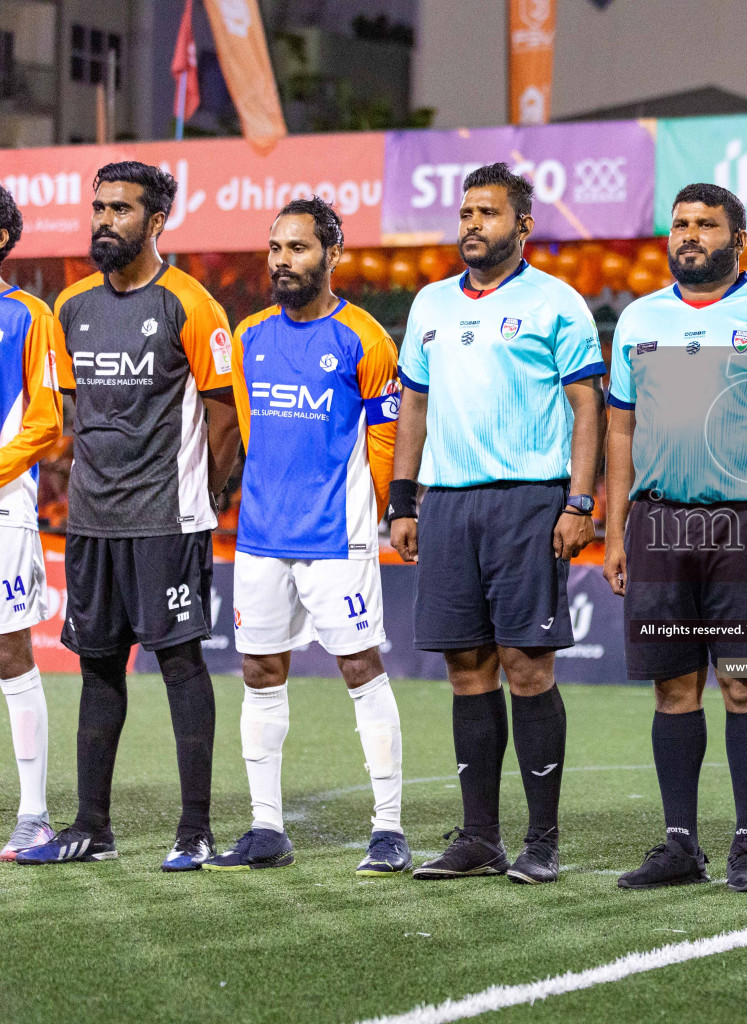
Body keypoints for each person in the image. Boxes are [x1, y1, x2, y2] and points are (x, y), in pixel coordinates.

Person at [605, 183, 747, 893]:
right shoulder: (638, 319)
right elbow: (619, 428)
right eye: (680, 224)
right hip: (659, 522)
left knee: (745, 684)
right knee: (674, 688)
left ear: (739, 239)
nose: (690, 235)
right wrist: (614, 529)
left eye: (706, 224)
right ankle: (679, 845)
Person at [18, 162, 240, 870]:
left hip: (166, 520)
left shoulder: (190, 303)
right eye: (99, 207)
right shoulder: (71, 307)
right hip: (90, 521)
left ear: (156, 221)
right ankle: (92, 827)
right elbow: (75, 408)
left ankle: (195, 829)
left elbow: (223, 416)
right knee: (97, 667)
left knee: (179, 662)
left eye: (121, 209)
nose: (104, 220)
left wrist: (205, 493)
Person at [389, 164, 605, 883]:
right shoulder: (428, 305)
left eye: (487, 212)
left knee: (526, 666)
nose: (471, 224)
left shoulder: (558, 304)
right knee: (466, 669)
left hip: (528, 502)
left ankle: (540, 840)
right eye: (465, 213)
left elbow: (587, 409)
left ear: (522, 224)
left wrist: (580, 503)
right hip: (447, 502)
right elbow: (412, 408)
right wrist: (403, 498)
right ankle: (479, 838)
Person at [202, 197, 409, 875]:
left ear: (332, 254)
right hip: (260, 536)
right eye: (275, 248)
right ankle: (266, 828)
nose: (282, 261)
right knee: (260, 671)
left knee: (359, 669)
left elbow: (386, 441)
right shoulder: (249, 336)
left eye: (297, 248)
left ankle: (389, 827)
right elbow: (239, 433)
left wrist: (379, 515)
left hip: (337, 538)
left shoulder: (366, 340)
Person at [0, 185, 68, 861]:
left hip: (3, 509)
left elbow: (47, 422)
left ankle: (34, 814)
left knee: (10, 652)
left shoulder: (28, 316)